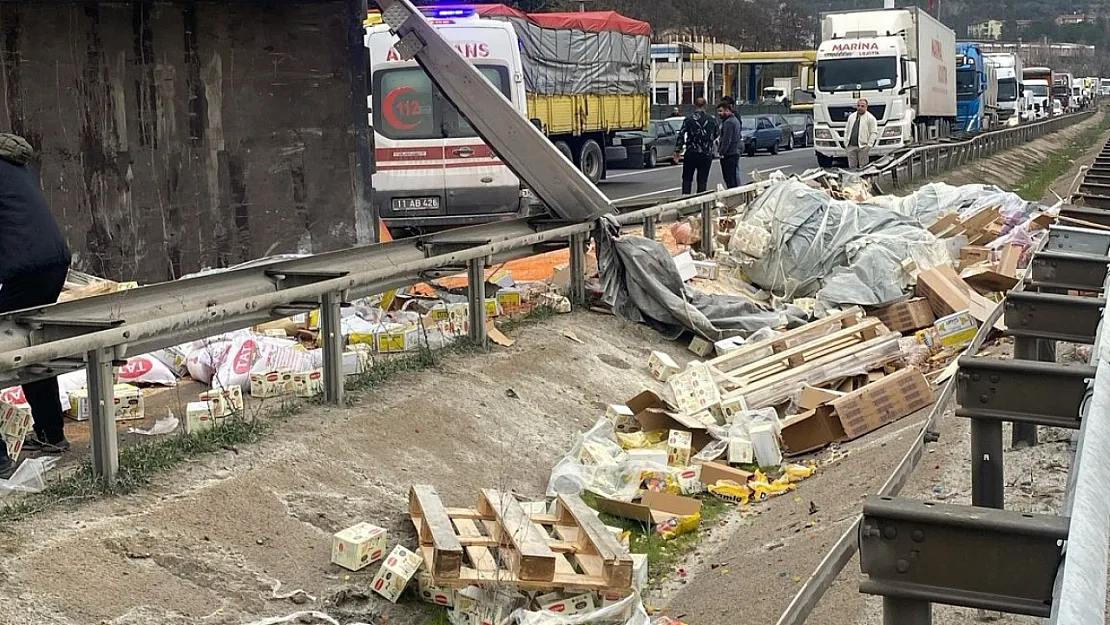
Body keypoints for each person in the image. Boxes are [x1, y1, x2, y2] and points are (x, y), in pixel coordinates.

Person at [0, 133, 72, 479]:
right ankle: (50, 433)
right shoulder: (12, 164)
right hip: (54, 262)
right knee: (31, 342)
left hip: (20, 267)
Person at [673, 97, 719, 195]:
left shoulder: (689, 120)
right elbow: (717, 134)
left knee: (687, 179)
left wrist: (678, 150)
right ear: (705, 106)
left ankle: (685, 200)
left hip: (691, 152)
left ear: (695, 106)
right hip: (706, 153)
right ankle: (700, 202)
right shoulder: (712, 120)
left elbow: (681, 134)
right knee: (702, 180)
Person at [845, 98, 878, 171]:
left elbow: (873, 132)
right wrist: (846, 142)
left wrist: (869, 145)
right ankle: (854, 181)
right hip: (851, 146)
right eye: (858, 106)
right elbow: (847, 130)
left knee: (864, 167)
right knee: (852, 167)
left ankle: (864, 181)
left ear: (866, 107)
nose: (860, 108)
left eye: (862, 106)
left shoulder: (871, 118)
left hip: (863, 147)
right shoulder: (851, 117)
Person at [716, 101, 742, 189]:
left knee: (729, 179)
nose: (719, 114)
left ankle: (734, 198)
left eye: (721, 111)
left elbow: (727, 140)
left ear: (727, 110)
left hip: (729, 154)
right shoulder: (735, 120)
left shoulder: (728, 123)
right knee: (733, 177)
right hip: (734, 152)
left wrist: (721, 152)